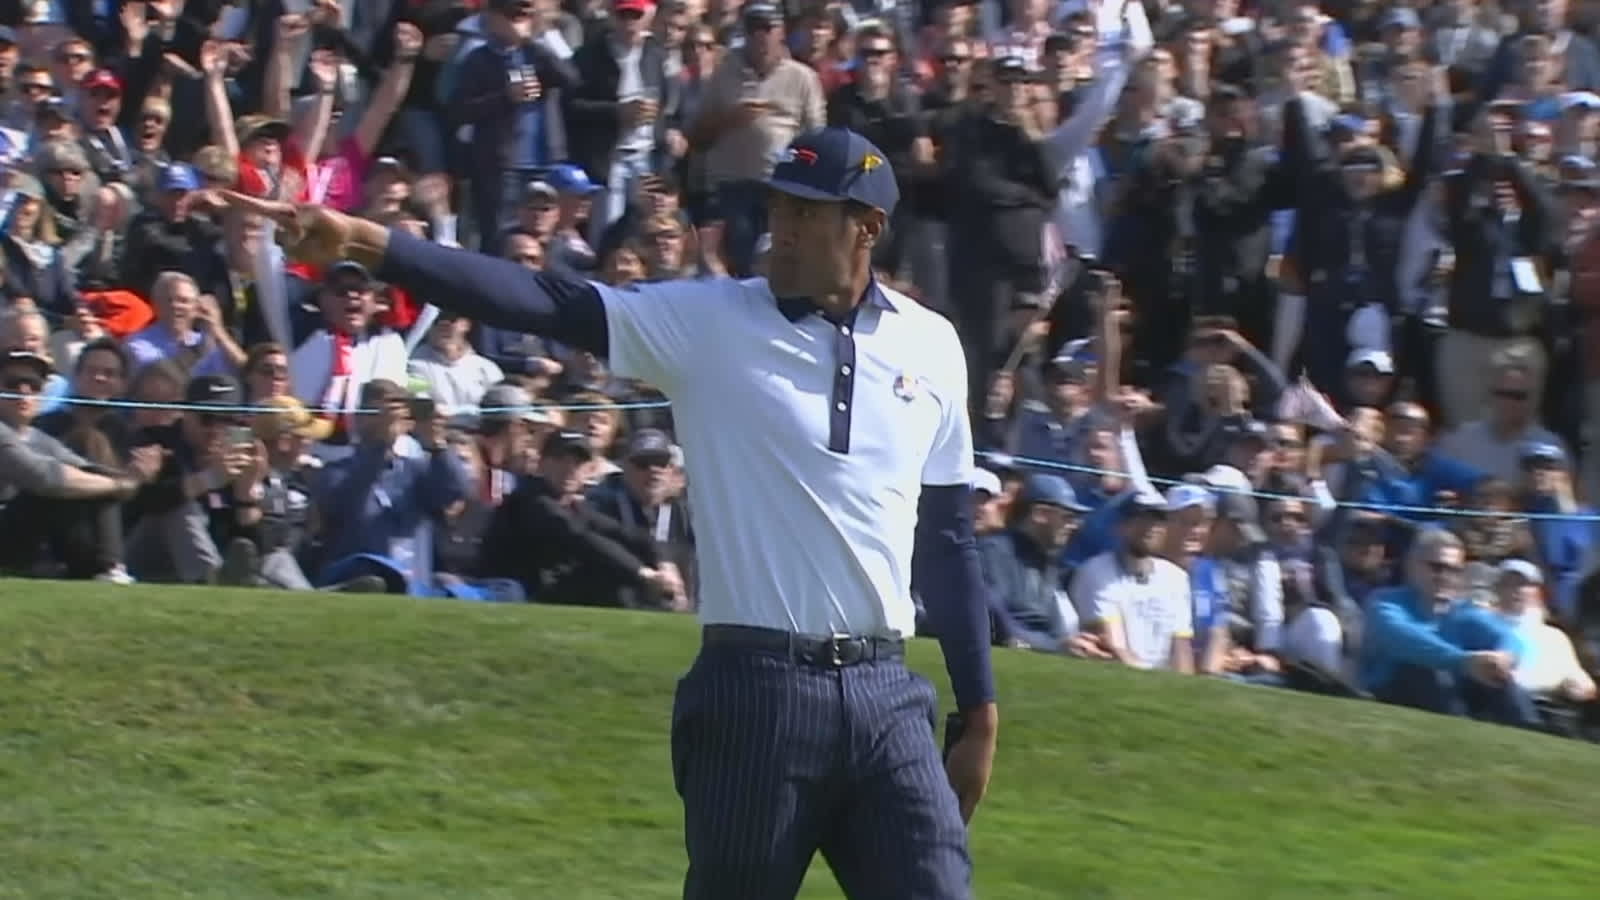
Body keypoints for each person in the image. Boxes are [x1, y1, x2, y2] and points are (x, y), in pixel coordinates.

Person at [228, 126, 995, 900]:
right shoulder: (708, 321)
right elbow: (542, 300)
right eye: (776, 207)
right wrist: (370, 240)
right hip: (756, 691)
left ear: (866, 227)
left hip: (888, 694)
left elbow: (950, 539)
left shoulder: (933, 346)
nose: (781, 229)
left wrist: (980, 708)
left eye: (805, 213)